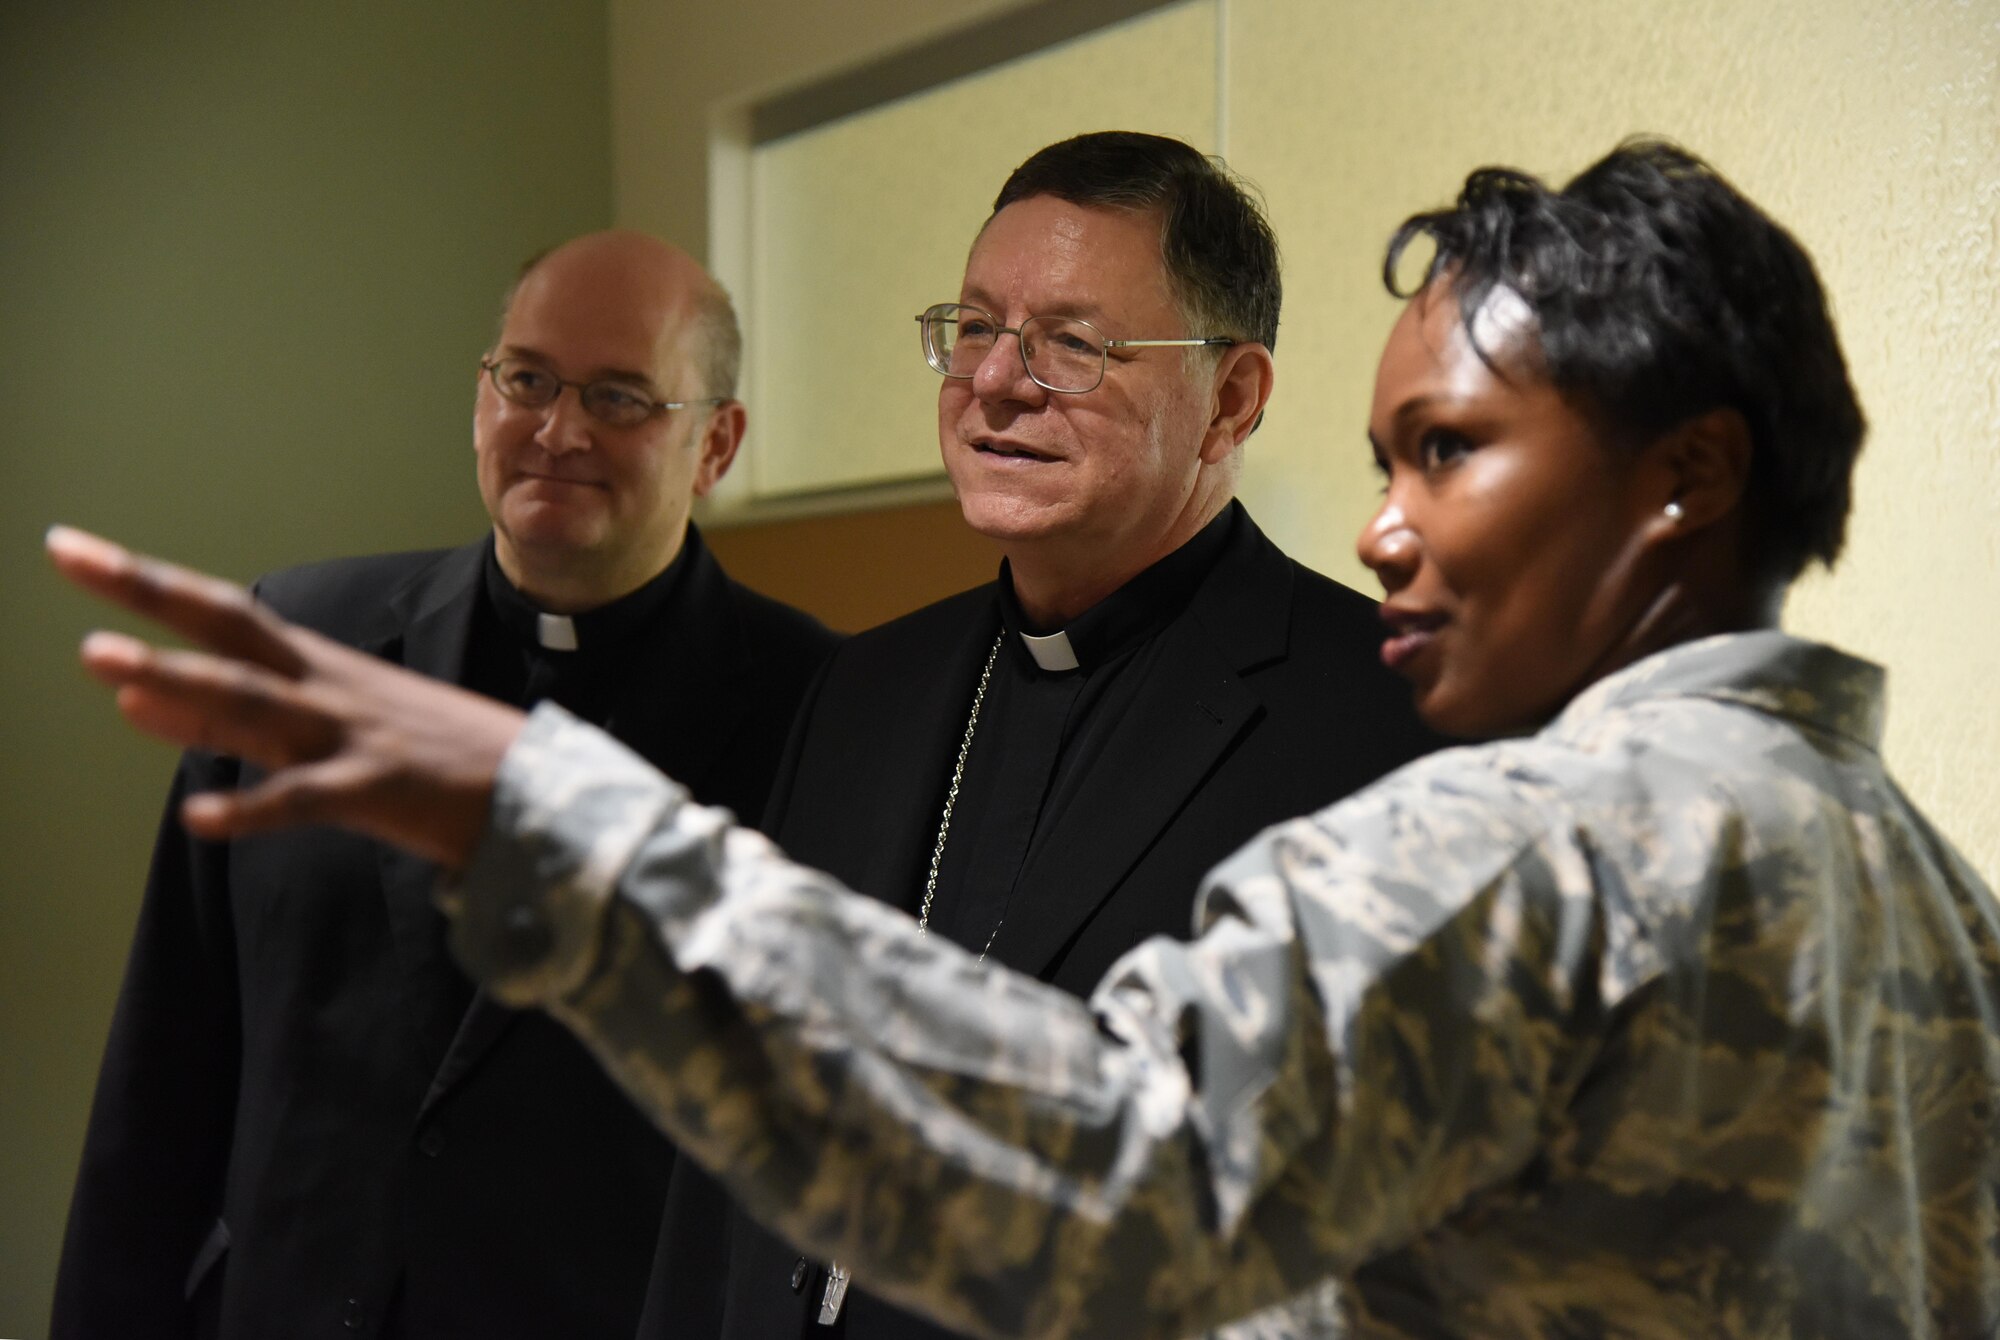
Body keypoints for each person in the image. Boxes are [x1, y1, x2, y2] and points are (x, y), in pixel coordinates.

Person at [49, 138, 2000, 1339]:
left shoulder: (1524, 838)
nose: (1385, 527)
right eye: (970, 331)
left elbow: (1114, 1174)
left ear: (1686, 478)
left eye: (1451, 452)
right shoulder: (1923, 885)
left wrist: (545, 816)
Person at [641, 131, 1442, 1339]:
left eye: (1071, 343)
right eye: (974, 327)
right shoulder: (863, 688)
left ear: (1231, 398)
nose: (994, 381)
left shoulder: (1386, 718)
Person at [50, 232, 840, 1339]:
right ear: (482, 396)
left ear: (716, 443)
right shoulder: (302, 644)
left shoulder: (821, 710)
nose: (556, 432)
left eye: (619, 397)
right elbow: (163, 1067)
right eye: (527, 379)